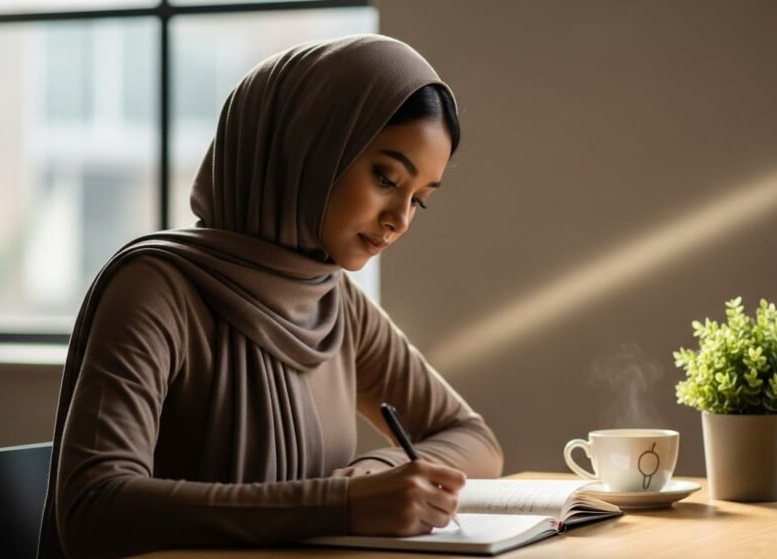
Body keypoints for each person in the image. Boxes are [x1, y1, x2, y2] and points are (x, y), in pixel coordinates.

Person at [37, 34, 504, 558]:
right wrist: (342, 503)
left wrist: (381, 476)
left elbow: (472, 438)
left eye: (420, 200)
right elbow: (94, 508)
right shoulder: (155, 288)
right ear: (307, 149)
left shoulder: (333, 301)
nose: (398, 220)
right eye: (385, 177)